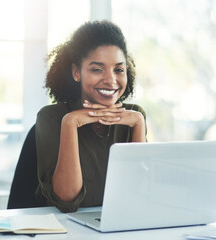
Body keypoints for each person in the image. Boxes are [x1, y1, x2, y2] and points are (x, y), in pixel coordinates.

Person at [35, 20, 147, 213]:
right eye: (97, 69)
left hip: (119, 226)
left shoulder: (134, 117)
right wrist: (70, 122)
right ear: (77, 72)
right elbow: (66, 199)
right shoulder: (51, 117)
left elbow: (140, 195)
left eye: (119, 69)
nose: (111, 80)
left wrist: (139, 124)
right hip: (65, 229)